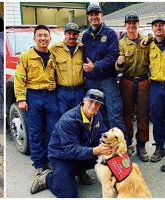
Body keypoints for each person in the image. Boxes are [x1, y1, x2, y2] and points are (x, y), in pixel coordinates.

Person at [30, 89, 112, 197]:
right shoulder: (68, 120)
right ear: (84, 100)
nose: (93, 106)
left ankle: (78, 170)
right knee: (69, 195)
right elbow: (71, 150)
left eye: (97, 103)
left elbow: (102, 136)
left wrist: (112, 146)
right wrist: (95, 150)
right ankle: (48, 178)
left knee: (107, 156)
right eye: (91, 101)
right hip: (62, 156)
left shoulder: (97, 115)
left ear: (100, 105)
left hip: (81, 150)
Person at [14, 25, 59, 175]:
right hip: (33, 96)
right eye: (39, 35)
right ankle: (39, 164)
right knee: (35, 131)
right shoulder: (26, 56)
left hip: (51, 96)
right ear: (34, 38)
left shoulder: (54, 55)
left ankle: (50, 160)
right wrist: (21, 98)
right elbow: (19, 78)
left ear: (50, 38)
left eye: (45, 35)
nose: (43, 38)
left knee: (53, 130)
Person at [81, 4, 126, 135]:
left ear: (101, 15)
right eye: (91, 14)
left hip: (107, 80)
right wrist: (85, 73)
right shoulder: (85, 35)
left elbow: (113, 56)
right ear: (88, 17)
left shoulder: (110, 33)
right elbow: (83, 57)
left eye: (96, 14)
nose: (94, 17)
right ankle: (105, 143)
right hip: (91, 81)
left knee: (114, 114)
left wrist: (95, 66)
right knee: (97, 114)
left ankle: (122, 146)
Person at [116, 12, 150, 162]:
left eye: (134, 23)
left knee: (143, 114)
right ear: (125, 25)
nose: (131, 25)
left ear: (138, 23)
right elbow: (118, 69)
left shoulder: (147, 40)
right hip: (127, 81)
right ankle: (128, 144)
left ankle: (141, 145)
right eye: (129, 23)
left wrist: (151, 37)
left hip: (143, 81)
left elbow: (158, 36)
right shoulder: (121, 43)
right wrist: (120, 63)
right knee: (127, 115)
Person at [50, 22, 85, 116]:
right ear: (64, 34)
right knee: (64, 118)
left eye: (74, 34)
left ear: (78, 35)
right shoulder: (55, 48)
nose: (71, 36)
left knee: (79, 116)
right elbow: (42, 53)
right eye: (69, 33)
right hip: (63, 91)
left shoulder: (83, 48)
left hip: (79, 91)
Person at [148, 16, 165, 163]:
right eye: (156, 25)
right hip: (155, 86)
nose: (158, 28)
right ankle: (159, 147)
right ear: (152, 28)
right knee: (157, 118)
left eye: (161, 25)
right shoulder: (149, 46)